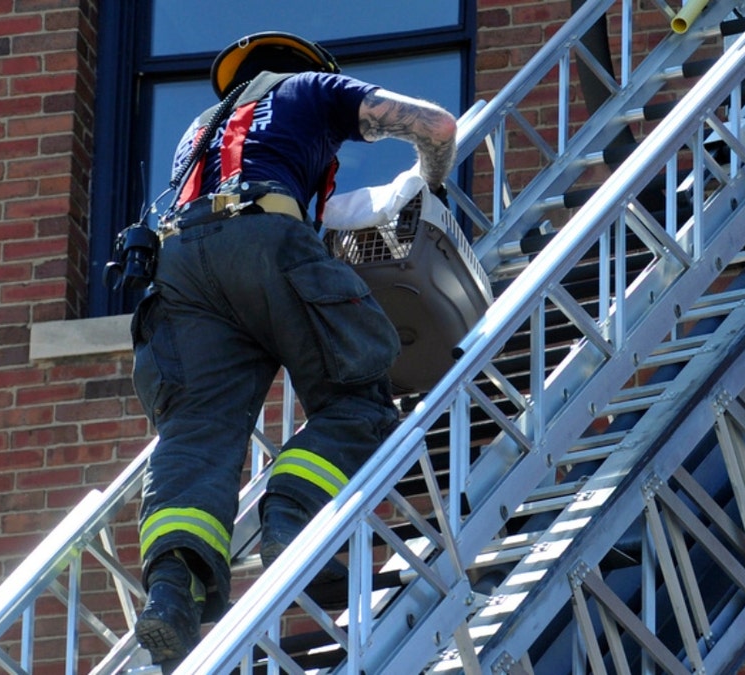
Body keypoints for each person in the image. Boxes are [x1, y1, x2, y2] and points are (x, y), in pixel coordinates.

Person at [127, 31, 457, 670]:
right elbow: (437, 125)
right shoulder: (312, 88)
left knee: (194, 437)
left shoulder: (197, 133)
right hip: (265, 240)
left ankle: (171, 595)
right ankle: (289, 518)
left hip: (182, 272)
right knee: (357, 395)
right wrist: (430, 184)